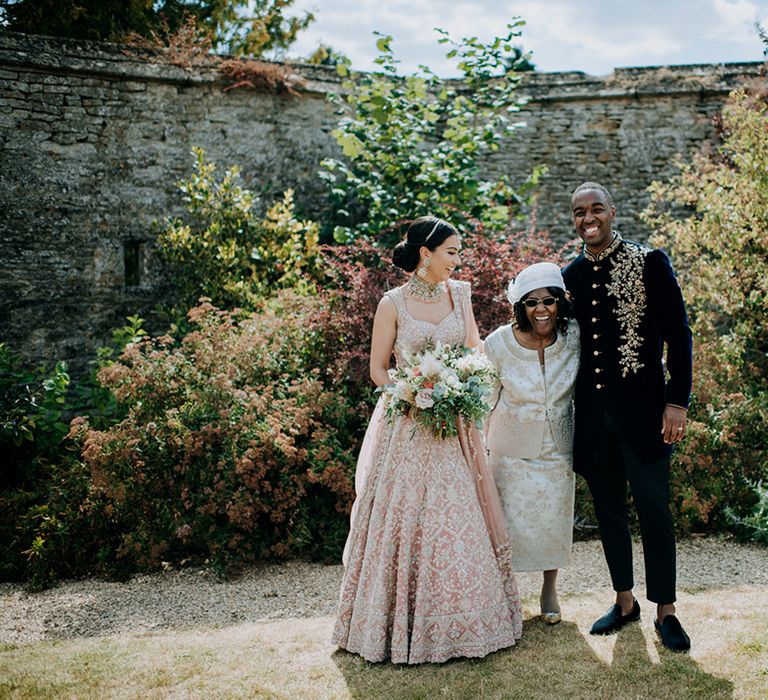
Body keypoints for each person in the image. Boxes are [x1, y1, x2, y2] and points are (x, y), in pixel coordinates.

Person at [332, 216, 523, 664]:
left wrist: (468, 377)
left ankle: (469, 619)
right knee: (409, 520)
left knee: (457, 517)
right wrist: (412, 391)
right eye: (452, 252)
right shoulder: (391, 303)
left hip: (455, 427)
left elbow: (475, 347)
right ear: (426, 255)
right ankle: (398, 623)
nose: (459, 260)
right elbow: (379, 370)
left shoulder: (461, 294)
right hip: (409, 425)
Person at [562, 182, 693, 652]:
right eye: (580, 212)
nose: (588, 217)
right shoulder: (568, 276)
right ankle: (624, 603)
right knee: (610, 513)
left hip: (646, 416)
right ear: (573, 219)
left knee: (655, 510)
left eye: (596, 208)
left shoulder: (649, 262)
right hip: (594, 421)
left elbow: (679, 335)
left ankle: (666, 611)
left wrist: (677, 402)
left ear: (613, 212)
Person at [484, 262, 580, 626]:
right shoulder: (498, 343)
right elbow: (483, 400)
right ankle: (503, 595)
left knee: (553, 520)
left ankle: (549, 590)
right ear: (520, 307)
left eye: (549, 301)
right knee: (505, 525)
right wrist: (474, 449)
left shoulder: (574, 337)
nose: (541, 309)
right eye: (532, 302)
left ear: (560, 303)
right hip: (510, 450)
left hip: (559, 445)